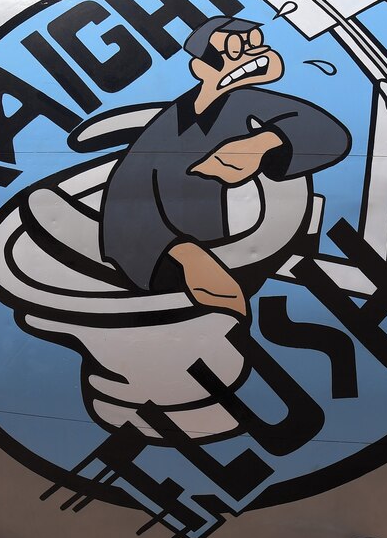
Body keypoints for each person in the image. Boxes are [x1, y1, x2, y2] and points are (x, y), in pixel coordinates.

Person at [100, 16, 352, 316]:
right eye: (234, 49)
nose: (253, 55)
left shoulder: (247, 101)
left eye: (255, 44)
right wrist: (182, 253)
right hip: (178, 258)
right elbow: (125, 193)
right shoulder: (165, 127)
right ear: (201, 68)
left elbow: (329, 133)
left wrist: (261, 145)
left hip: (246, 246)